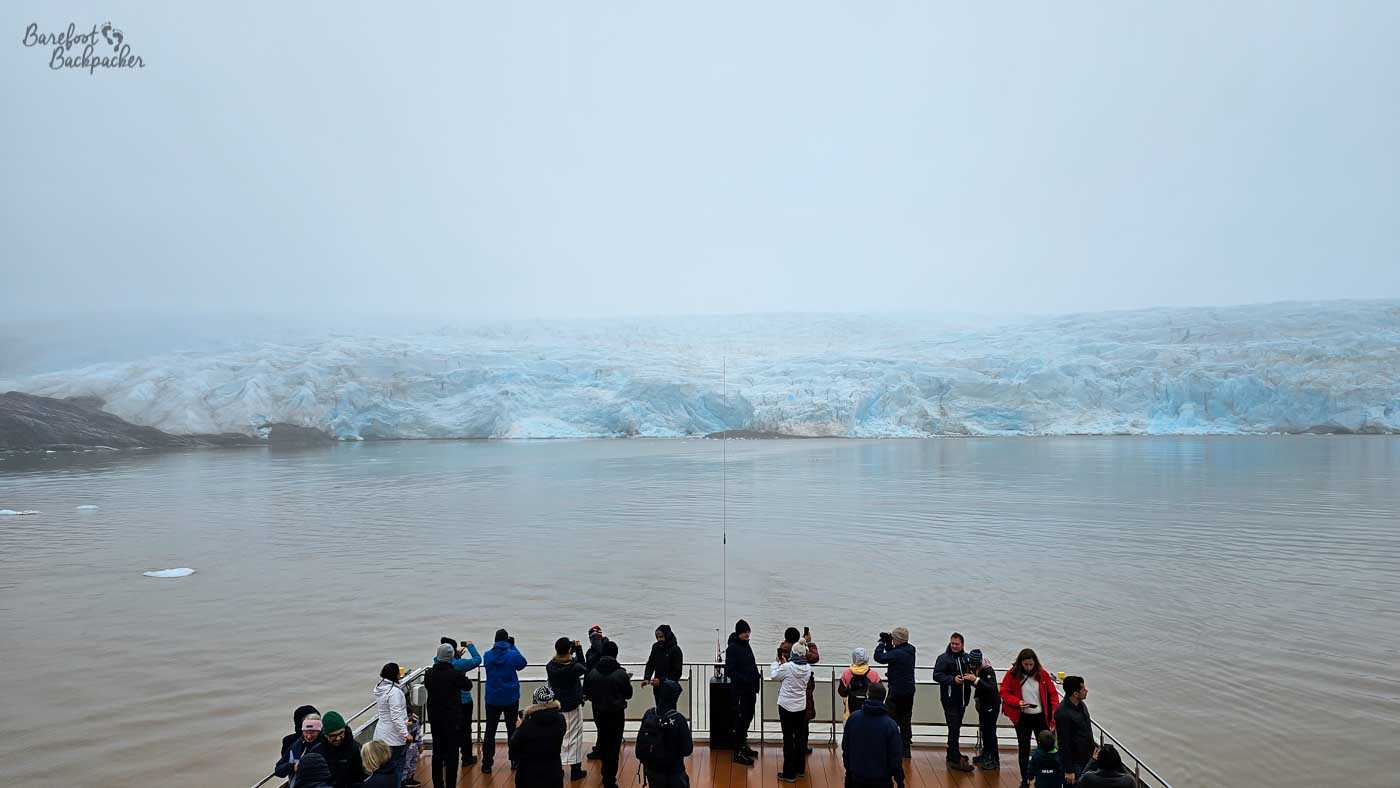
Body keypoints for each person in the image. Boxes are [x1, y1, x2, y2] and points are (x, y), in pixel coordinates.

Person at [1000, 648, 1060, 788]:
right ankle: (1025, 779)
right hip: (1022, 718)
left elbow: (1053, 696)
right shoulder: (1012, 674)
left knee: (1045, 749)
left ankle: (1042, 778)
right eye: (1025, 664)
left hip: (1040, 718)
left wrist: (1053, 719)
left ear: (1035, 663)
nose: (1028, 667)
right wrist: (1018, 702)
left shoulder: (1043, 674)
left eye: (1030, 664)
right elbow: (1003, 691)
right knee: (1024, 749)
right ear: (1020, 663)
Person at [584, 639, 632, 788]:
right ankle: (609, 779)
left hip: (599, 713)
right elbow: (628, 694)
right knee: (614, 746)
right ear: (616, 654)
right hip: (616, 714)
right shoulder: (620, 673)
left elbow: (587, 693)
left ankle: (605, 773)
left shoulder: (592, 673)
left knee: (604, 743)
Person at [482, 628, 528, 775]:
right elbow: (522, 663)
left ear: (495, 640)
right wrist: (512, 646)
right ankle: (514, 760)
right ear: (507, 641)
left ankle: (487, 764)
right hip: (510, 698)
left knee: (490, 731)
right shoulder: (512, 654)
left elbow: (492, 655)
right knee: (512, 730)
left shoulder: (487, 655)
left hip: (492, 699)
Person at [426, 643, 472, 788]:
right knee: (452, 753)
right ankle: (450, 784)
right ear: (451, 656)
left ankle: (438, 784)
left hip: (435, 718)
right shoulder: (455, 674)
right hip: (452, 719)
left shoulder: (429, 674)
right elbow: (468, 685)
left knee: (437, 752)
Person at [841, 683, 905, 788]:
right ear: (883, 698)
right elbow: (895, 757)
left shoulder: (853, 719)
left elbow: (846, 748)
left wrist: (849, 771)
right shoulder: (890, 725)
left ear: (868, 695)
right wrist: (900, 780)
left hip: (857, 777)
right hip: (882, 780)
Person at [932, 632, 977, 772]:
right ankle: (954, 759)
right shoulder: (943, 658)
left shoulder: (966, 658)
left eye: (957, 644)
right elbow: (936, 675)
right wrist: (952, 680)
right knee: (953, 728)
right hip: (950, 700)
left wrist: (972, 677)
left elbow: (974, 673)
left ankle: (953, 753)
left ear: (962, 644)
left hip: (963, 699)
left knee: (956, 728)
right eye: (952, 643)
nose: (954, 646)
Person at [636, 678, 693, 788]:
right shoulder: (679, 720)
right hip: (674, 771)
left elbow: (640, 745)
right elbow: (687, 750)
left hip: (652, 771)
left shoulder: (649, 714)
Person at [546, 636, 588, 781]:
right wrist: (579, 651)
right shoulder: (573, 667)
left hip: (557, 706)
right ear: (569, 650)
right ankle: (575, 770)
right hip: (573, 706)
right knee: (575, 737)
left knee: (558, 737)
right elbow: (584, 666)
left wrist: (570, 651)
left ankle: (558, 769)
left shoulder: (550, 666)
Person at [771, 638, 813, 783]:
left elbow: (774, 676)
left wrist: (776, 662)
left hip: (786, 707)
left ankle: (789, 773)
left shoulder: (787, 667)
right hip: (800, 707)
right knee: (800, 737)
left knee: (788, 739)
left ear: (793, 653)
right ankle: (800, 768)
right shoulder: (808, 669)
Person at [510, 685, 567, 788]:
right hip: (553, 774)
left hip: (528, 776)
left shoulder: (527, 725)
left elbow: (514, 747)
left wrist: (518, 728)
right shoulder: (561, 720)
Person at [440, 637, 483, 768]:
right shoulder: (459, 665)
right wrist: (470, 646)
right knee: (465, 729)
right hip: (463, 702)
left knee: (447, 729)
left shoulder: (436, 663)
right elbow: (477, 660)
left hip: (445, 702)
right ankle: (466, 757)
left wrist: (455, 656)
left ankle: (445, 758)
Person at [873, 627, 916, 758]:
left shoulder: (898, 653)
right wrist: (889, 644)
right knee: (906, 719)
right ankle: (906, 748)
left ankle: (888, 746)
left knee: (889, 719)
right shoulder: (910, 650)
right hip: (909, 691)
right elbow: (894, 654)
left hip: (896, 691)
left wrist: (881, 643)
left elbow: (879, 657)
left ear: (897, 640)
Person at [723, 619, 761, 765]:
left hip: (750, 689)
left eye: (748, 631)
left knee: (748, 716)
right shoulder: (732, 648)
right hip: (740, 691)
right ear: (739, 632)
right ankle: (737, 751)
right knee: (740, 720)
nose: (747, 634)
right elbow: (729, 670)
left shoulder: (746, 645)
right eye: (745, 632)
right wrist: (745, 679)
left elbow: (751, 663)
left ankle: (743, 745)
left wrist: (755, 677)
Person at [373, 663, 412, 786]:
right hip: (393, 738)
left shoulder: (380, 688)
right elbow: (396, 717)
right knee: (397, 769)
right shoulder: (394, 692)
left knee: (382, 769)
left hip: (380, 735)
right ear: (395, 675)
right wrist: (406, 734)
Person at [1055, 676, 1094, 783]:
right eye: (1083, 689)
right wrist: (1069, 770)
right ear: (1075, 694)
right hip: (1075, 761)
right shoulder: (1062, 713)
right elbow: (1063, 743)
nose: (1086, 691)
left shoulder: (1081, 705)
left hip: (1087, 757)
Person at [582, 625, 611, 762]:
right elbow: (587, 671)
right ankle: (602, 745)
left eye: (596, 637)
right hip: (594, 691)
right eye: (592, 638)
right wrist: (585, 691)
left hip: (604, 690)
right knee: (598, 721)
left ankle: (602, 748)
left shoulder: (607, 650)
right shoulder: (590, 652)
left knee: (602, 721)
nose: (594, 640)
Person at [970, 649, 1001, 771]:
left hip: (992, 705)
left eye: (974, 665)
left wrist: (976, 680)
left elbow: (992, 688)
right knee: (984, 730)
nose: (972, 666)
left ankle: (994, 759)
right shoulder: (975, 667)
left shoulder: (988, 670)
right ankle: (985, 754)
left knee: (990, 732)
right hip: (983, 704)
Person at [275, 713, 325, 786]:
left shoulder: (326, 745)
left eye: (312, 732)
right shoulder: (296, 745)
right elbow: (278, 770)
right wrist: (292, 766)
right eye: (306, 732)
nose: (308, 736)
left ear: (319, 731)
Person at [318, 711, 365, 788]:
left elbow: (361, 776)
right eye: (333, 735)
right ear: (325, 735)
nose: (338, 738)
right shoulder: (318, 752)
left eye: (341, 733)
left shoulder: (355, 748)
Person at [838, 648, 883, 718]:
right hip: (870, 712)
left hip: (851, 711)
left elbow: (841, 692)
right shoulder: (874, 675)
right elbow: (880, 692)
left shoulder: (846, 674)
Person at [643, 624, 684, 701]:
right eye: (657, 637)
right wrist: (647, 678)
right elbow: (650, 663)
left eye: (661, 637)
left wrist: (661, 681)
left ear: (667, 636)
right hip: (657, 687)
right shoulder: (655, 647)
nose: (659, 639)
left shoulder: (676, 650)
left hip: (670, 687)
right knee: (659, 709)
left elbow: (677, 672)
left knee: (669, 711)